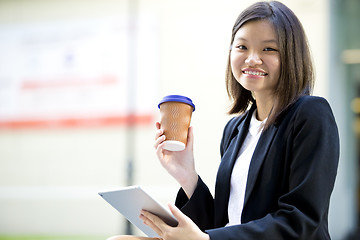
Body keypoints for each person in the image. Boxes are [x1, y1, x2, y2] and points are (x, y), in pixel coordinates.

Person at [108, 1, 339, 240]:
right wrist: (187, 176)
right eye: (242, 47)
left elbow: (301, 220)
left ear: (291, 55)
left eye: (268, 49)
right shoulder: (235, 129)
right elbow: (224, 221)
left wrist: (206, 239)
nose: (252, 59)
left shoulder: (310, 114)